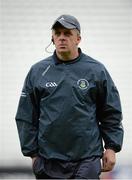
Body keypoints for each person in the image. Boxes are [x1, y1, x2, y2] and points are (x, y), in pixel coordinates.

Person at [15, 14, 124, 179]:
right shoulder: (38, 71)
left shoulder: (96, 70)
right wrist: (33, 154)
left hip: (87, 158)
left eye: (67, 34)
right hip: (48, 160)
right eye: (57, 34)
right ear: (52, 38)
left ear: (78, 38)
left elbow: (111, 112)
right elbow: (26, 116)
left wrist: (111, 147)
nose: (62, 38)